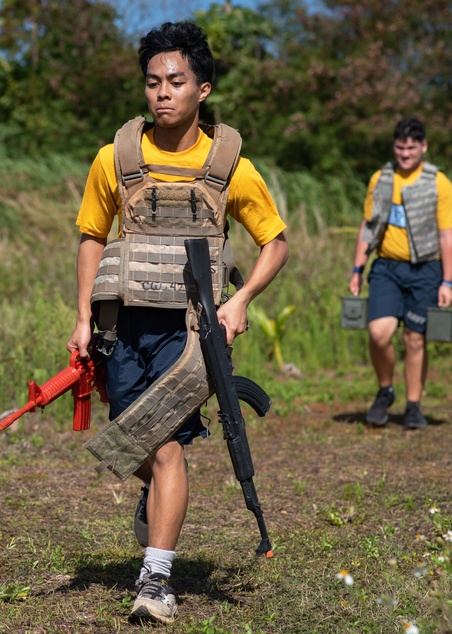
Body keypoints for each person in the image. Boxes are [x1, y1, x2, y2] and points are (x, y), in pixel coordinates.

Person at [66, 21, 288, 624]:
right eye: (152, 82)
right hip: (122, 327)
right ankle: (158, 501)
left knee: (163, 447)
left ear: (203, 89)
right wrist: (83, 315)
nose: (163, 93)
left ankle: (156, 582)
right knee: (129, 442)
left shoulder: (230, 165)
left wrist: (239, 303)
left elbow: (274, 243)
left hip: (190, 332)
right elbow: (91, 235)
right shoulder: (115, 158)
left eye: (177, 81)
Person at [349, 117, 452, 430]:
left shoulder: (439, 183)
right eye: (401, 147)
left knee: (415, 338)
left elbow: (447, 237)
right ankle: (386, 390)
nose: (406, 154)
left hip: (427, 269)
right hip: (386, 267)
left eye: (412, 148)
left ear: (423, 147)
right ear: (394, 147)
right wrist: (357, 268)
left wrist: (447, 282)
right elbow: (368, 226)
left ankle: (414, 406)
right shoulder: (381, 179)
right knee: (378, 332)